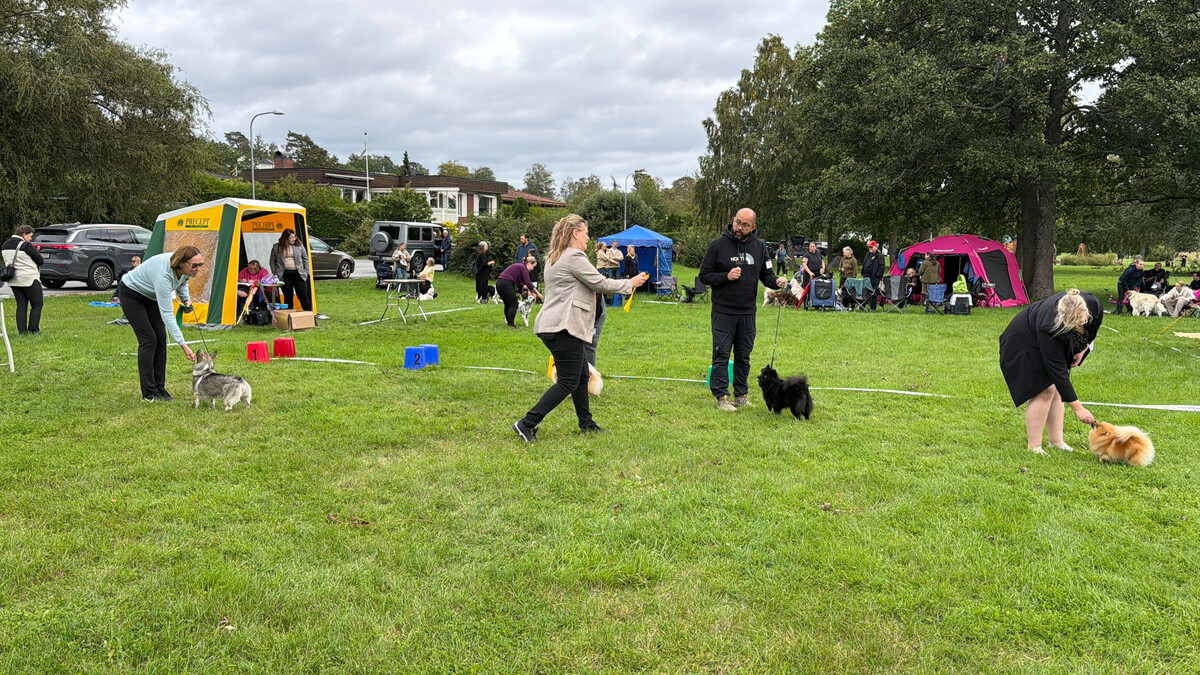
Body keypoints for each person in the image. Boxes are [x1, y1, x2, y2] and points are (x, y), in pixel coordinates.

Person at [513, 215, 647, 441]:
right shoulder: (574, 256)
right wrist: (629, 283)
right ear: (575, 233)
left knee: (582, 375)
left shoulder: (555, 256)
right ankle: (526, 423)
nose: (588, 237)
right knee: (569, 381)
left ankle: (587, 424)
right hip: (564, 327)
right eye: (585, 233)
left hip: (553, 326)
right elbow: (600, 283)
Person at [698, 208, 788, 411]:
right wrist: (726, 276)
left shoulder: (760, 247)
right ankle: (722, 397)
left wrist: (777, 281)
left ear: (753, 227)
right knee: (721, 355)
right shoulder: (717, 245)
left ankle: (741, 395)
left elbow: (766, 275)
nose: (739, 227)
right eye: (737, 222)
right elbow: (704, 275)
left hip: (747, 311)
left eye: (745, 225)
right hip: (723, 311)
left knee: (743, 356)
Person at [999, 288, 1100, 454]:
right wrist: (1078, 409)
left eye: (1080, 323)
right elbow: (1058, 372)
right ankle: (1034, 446)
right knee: (1045, 389)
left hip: (1048, 335)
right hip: (1023, 341)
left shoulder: (1095, 305)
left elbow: (1092, 332)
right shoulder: (1049, 326)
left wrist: (1084, 349)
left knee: (1058, 391)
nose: (1078, 327)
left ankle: (1056, 441)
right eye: (1073, 326)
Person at [118, 247, 202, 401]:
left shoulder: (185, 270)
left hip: (151, 296)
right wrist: (183, 345)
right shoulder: (164, 276)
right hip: (131, 294)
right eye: (195, 265)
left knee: (161, 338)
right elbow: (167, 315)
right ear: (181, 263)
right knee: (149, 340)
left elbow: (183, 281)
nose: (198, 269)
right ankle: (149, 393)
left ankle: (160, 389)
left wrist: (186, 299)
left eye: (200, 265)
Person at [2, 226, 44, 334]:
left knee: (21, 305)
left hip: (14, 279)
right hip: (29, 278)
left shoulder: (5, 245)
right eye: (30, 236)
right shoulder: (25, 245)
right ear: (24, 234)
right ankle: (34, 330)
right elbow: (40, 261)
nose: (30, 239)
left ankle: (22, 332)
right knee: (37, 304)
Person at [269, 228, 312, 312]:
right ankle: (289, 315)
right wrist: (275, 273)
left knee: (303, 296)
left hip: (298, 274)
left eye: (294, 237)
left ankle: (309, 314)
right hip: (284, 274)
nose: (293, 239)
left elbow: (305, 259)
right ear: (285, 238)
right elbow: (272, 261)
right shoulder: (276, 247)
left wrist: (307, 272)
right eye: (291, 238)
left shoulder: (299, 245)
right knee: (288, 297)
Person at [497, 256, 543, 327]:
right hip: (506, 284)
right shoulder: (523, 268)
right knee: (514, 304)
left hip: (500, 283)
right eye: (533, 266)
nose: (533, 269)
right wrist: (538, 293)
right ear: (529, 263)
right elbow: (528, 283)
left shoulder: (520, 266)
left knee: (508, 304)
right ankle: (511, 325)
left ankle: (509, 322)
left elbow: (517, 281)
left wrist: (523, 286)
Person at [799, 241, 825, 307]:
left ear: (815, 247)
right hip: (808, 274)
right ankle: (806, 304)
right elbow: (804, 264)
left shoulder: (819, 253)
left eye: (813, 246)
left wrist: (823, 269)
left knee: (818, 289)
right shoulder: (806, 255)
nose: (812, 248)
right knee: (807, 289)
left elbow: (822, 262)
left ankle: (817, 304)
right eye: (811, 246)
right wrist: (810, 272)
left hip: (818, 274)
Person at [862, 240, 885, 310]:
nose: (870, 249)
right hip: (866, 276)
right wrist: (863, 273)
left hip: (874, 277)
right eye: (869, 247)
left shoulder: (879, 256)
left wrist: (878, 275)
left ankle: (873, 307)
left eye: (872, 247)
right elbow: (864, 263)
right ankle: (863, 305)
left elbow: (882, 267)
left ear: (875, 247)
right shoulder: (868, 254)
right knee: (865, 291)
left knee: (874, 292)